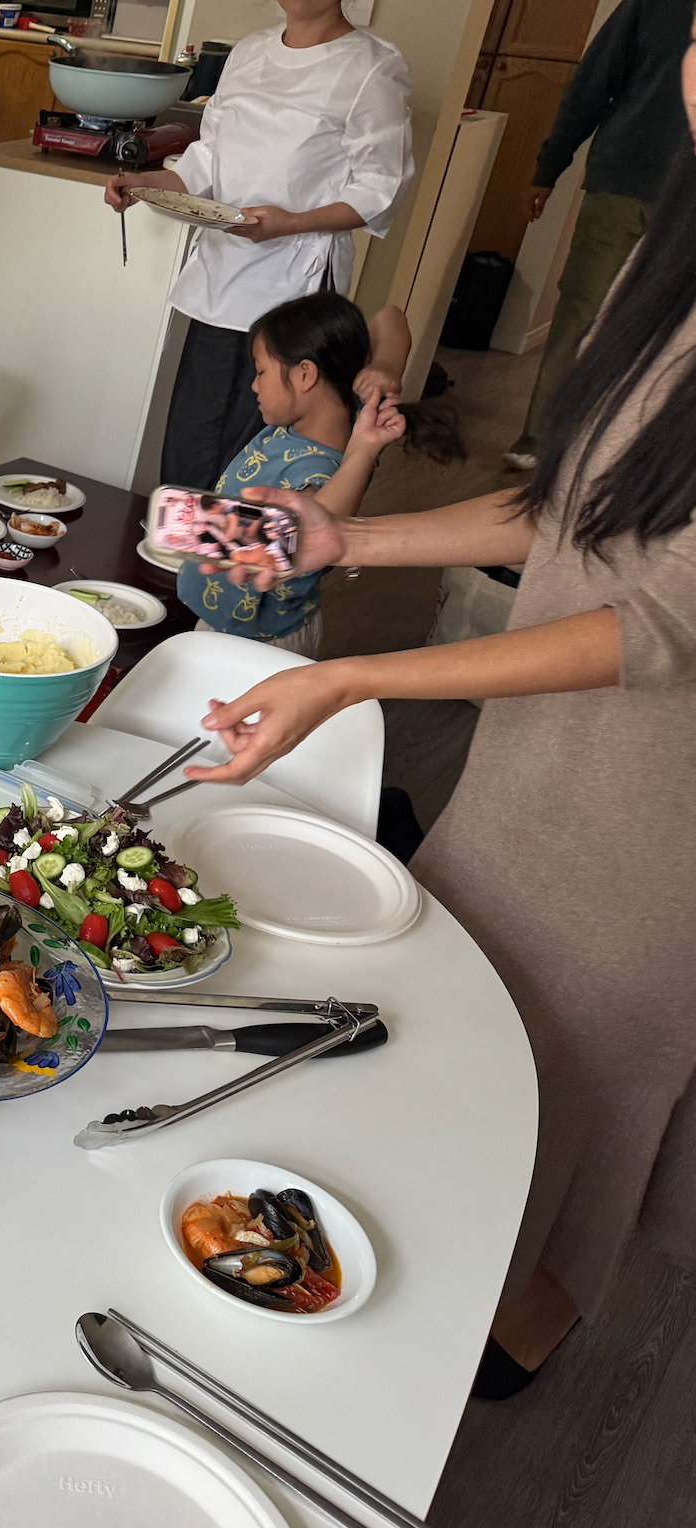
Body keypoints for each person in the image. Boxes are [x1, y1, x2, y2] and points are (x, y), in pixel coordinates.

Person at [181, 112, 696, 1401]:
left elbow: (659, 623)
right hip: (534, 769)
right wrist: (344, 542)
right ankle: (440, 1299)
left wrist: (349, 673)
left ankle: (512, 1330)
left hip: (659, 823)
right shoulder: (667, 257)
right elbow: (564, 507)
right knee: (456, 1032)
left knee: (578, 1086)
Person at [102, 0, 415, 492]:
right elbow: (206, 162)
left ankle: (244, 546)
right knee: (188, 453)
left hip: (294, 294)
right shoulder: (249, 52)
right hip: (220, 285)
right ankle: (179, 543)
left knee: (255, 469)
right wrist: (146, 184)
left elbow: (381, 189)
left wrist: (288, 223)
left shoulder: (371, 66)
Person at [504, 0, 694, 471]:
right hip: (624, 185)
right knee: (582, 315)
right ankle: (539, 443)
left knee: (672, 335)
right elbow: (592, 83)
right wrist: (548, 169)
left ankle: (624, 458)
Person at [176, 291, 415, 656]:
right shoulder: (333, 416)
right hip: (228, 619)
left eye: (261, 372)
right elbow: (391, 315)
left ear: (305, 375)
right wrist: (385, 368)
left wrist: (189, 527)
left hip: (261, 639)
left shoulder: (320, 469)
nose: (254, 385)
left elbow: (317, 525)